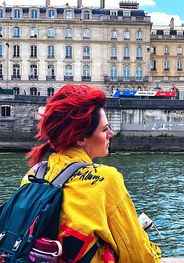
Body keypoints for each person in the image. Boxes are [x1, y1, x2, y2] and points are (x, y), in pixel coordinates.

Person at [22, 84, 161, 262]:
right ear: (80, 138)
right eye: (104, 129)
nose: (111, 133)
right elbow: (139, 257)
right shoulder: (106, 179)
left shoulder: (35, 174)